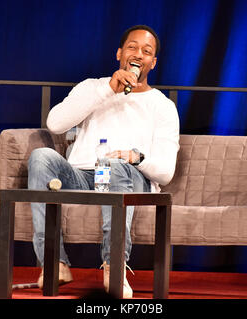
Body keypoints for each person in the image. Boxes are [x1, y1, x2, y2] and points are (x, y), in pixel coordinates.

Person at [28, 25, 180, 298]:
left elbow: (166, 172)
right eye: (132, 47)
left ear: (153, 63)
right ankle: (54, 263)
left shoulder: (162, 105)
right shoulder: (92, 88)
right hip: (83, 177)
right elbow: (55, 123)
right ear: (120, 53)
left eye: (147, 51)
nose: (138, 54)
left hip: (127, 178)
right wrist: (108, 90)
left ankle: (114, 267)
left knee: (112, 166)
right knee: (41, 158)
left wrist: (136, 157)